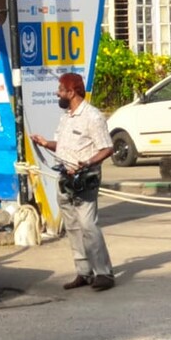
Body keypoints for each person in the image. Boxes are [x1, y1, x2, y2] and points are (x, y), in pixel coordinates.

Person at [29, 73, 115, 291]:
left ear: (72, 92)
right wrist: (45, 143)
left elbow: (107, 148)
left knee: (88, 225)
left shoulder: (93, 117)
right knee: (73, 227)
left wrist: (87, 162)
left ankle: (103, 273)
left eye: (60, 90)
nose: (57, 93)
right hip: (65, 178)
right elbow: (64, 146)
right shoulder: (67, 116)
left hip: (85, 179)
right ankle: (84, 272)